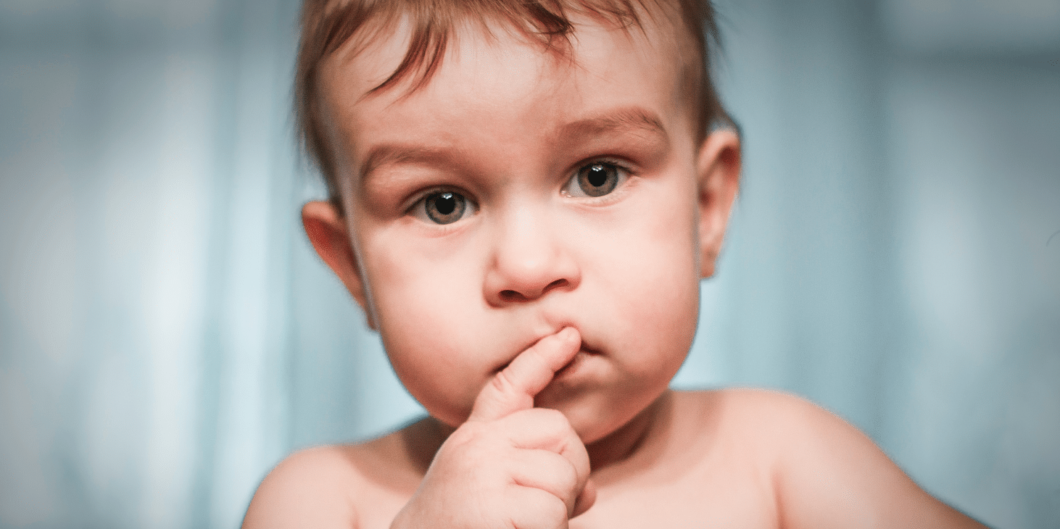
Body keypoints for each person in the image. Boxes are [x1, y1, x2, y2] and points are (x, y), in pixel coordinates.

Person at [243, 1, 987, 527]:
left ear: (708, 205)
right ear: (352, 270)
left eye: (597, 175)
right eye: (442, 202)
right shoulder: (321, 501)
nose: (529, 266)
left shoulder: (785, 460)